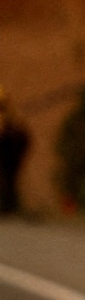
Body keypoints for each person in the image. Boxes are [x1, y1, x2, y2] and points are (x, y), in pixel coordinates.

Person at [0, 87, 30, 216]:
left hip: (7, 143)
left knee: (9, 176)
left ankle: (9, 205)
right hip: (8, 141)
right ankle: (9, 204)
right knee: (8, 177)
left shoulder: (9, 115)